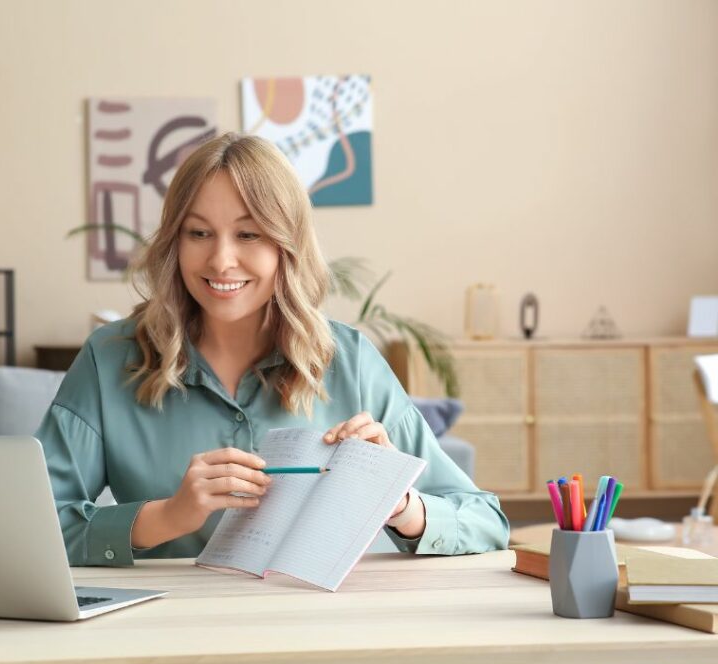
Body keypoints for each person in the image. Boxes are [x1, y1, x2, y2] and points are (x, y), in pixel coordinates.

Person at [35, 133, 509, 567]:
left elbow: (485, 520)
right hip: (174, 642)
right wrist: (167, 517)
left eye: (248, 234)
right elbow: (34, 529)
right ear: (174, 242)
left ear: (287, 244)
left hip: (331, 644)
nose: (221, 260)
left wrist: (400, 504)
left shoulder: (351, 361)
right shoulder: (110, 358)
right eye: (198, 233)